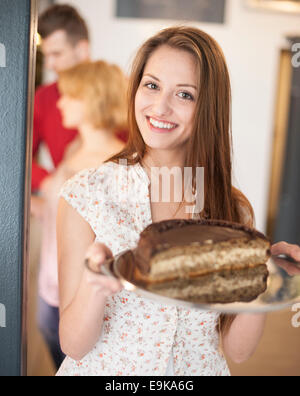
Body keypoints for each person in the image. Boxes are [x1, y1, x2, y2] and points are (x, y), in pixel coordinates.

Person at [55, 26, 289, 376]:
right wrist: (95, 284)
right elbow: (73, 345)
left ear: (208, 107)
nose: (160, 107)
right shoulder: (87, 194)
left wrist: (267, 280)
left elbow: (237, 351)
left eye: (185, 95)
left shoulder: (232, 211)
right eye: (151, 85)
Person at [37, 60, 127, 370]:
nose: (60, 103)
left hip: (77, 290)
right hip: (51, 279)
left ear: (91, 99)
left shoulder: (108, 166)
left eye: (68, 95)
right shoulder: (76, 147)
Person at [31, 4, 128, 217]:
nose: (49, 64)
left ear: (82, 50)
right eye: (46, 55)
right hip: (65, 205)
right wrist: (50, 184)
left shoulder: (120, 90)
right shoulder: (44, 97)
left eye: (56, 54)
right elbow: (20, 157)